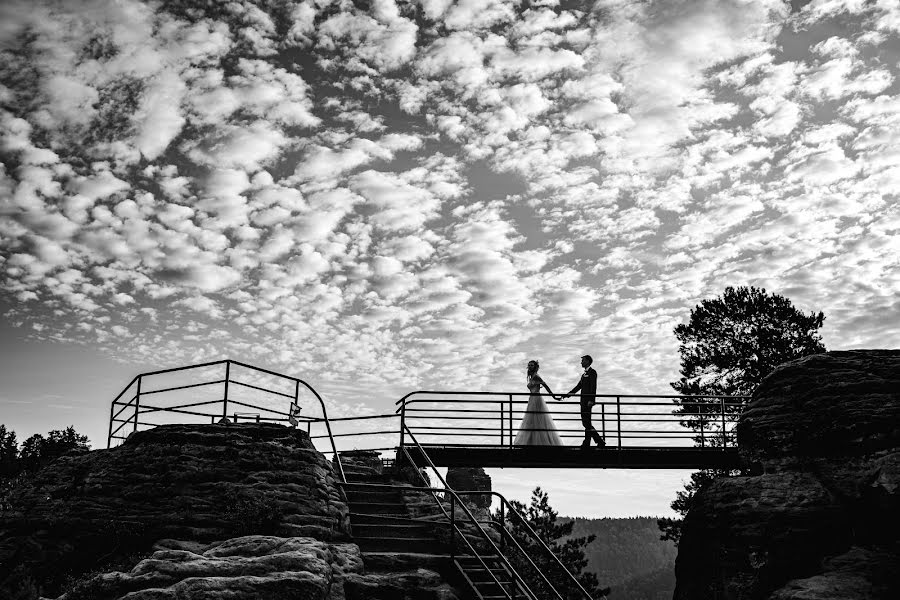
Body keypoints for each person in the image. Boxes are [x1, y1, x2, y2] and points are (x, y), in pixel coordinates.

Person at [514, 360, 563, 446]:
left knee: (537, 421)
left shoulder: (536, 376)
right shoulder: (532, 377)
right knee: (531, 421)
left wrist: (554, 397)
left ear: (535, 367)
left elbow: (546, 386)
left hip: (536, 399)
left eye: (532, 365)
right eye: (529, 365)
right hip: (532, 399)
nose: (529, 367)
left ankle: (540, 443)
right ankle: (531, 442)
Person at [561, 354, 605, 448]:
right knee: (586, 422)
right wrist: (567, 395)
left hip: (588, 401)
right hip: (583, 401)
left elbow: (593, 387)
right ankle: (588, 443)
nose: (581, 362)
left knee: (586, 422)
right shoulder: (583, 374)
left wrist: (591, 400)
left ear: (588, 361)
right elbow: (578, 387)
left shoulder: (592, 372)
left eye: (583, 360)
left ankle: (598, 441)